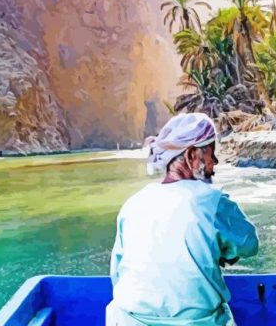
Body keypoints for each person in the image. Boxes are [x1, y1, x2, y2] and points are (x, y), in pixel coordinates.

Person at [106, 113, 259, 325]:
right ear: (190, 155)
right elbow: (249, 245)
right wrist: (224, 251)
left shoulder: (133, 203)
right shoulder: (211, 200)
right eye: (210, 153)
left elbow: (117, 273)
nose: (214, 162)